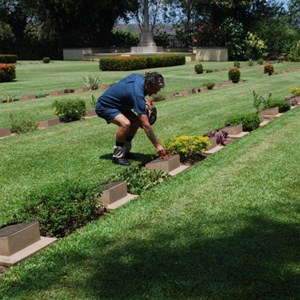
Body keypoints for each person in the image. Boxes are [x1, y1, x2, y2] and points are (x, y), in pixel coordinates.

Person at [95, 71, 166, 166]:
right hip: (105, 106)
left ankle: (126, 151)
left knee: (135, 122)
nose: (156, 92)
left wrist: (143, 100)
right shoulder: (138, 94)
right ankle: (117, 156)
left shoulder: (140, 78)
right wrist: (157, 145)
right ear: (148, 85)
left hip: (120, 105)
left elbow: (131, 87)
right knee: (125, 124)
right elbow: (145, 125)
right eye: (155, 89)